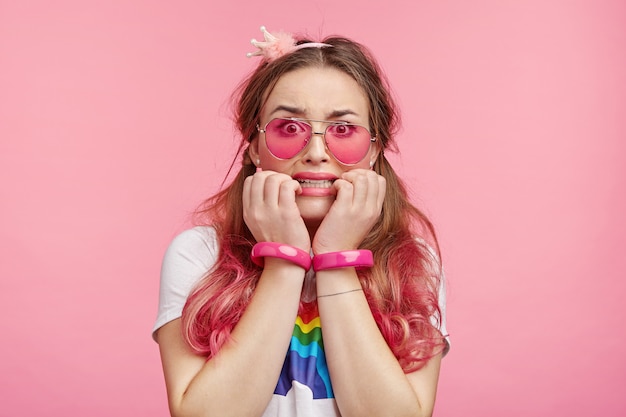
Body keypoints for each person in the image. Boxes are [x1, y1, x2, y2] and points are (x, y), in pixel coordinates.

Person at [153, 26, 450, 417]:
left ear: (375, 149)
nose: (315, 152)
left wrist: (337, 258)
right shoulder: (199, 254)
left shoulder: (414, 262)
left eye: (342, 129)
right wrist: (283, 260)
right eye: (289, 128)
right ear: (255, 147)